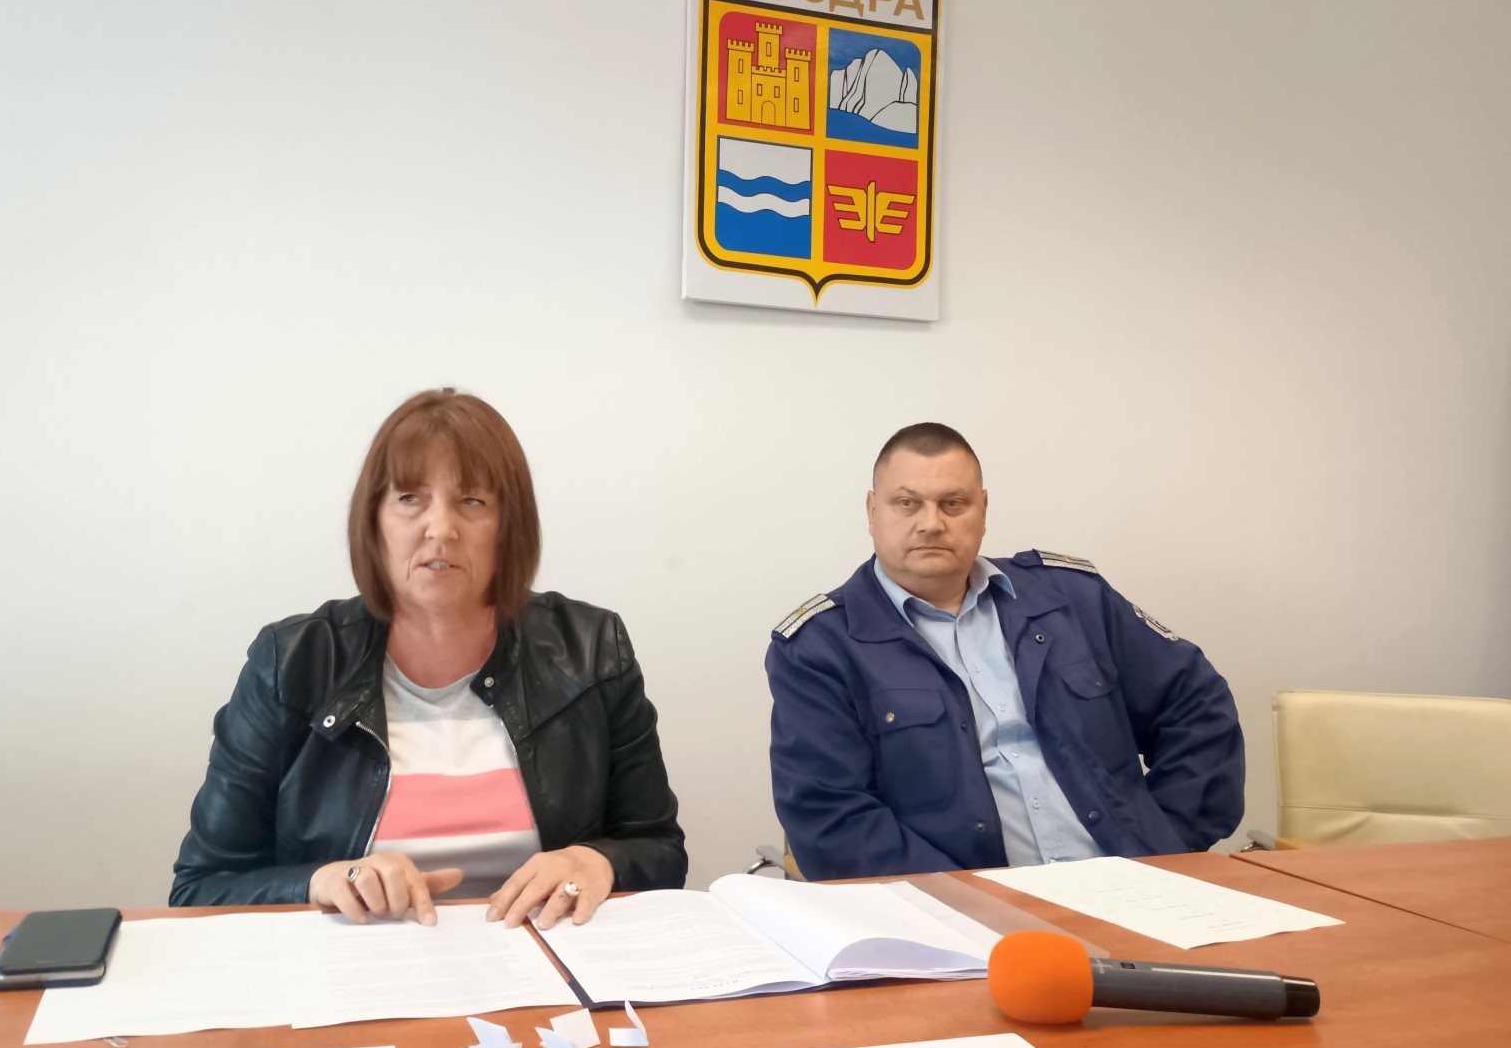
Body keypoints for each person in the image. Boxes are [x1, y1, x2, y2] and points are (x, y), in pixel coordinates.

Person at [171, 388, 686, 928]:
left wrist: (597, 861)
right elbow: (201, 888)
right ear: (373, 522)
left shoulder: (592, 649)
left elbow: (659, 850)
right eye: (410, 498)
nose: (441, 529)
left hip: (544, 956)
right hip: (358, 964)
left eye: (473, 501)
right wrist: (318, 882)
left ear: (509, 528)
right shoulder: (293, 663)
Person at [766, 422, 1244, 881]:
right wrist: (967, 901)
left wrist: (1167, 843)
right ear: (872, 511)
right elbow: (831, 818)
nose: (931, 524)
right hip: (958, 912)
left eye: (953, 503)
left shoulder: (1073, 599)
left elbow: (1197, 706)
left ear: (983, 510)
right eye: (907, 503)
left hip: (1133, 888)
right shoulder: (820, 648)